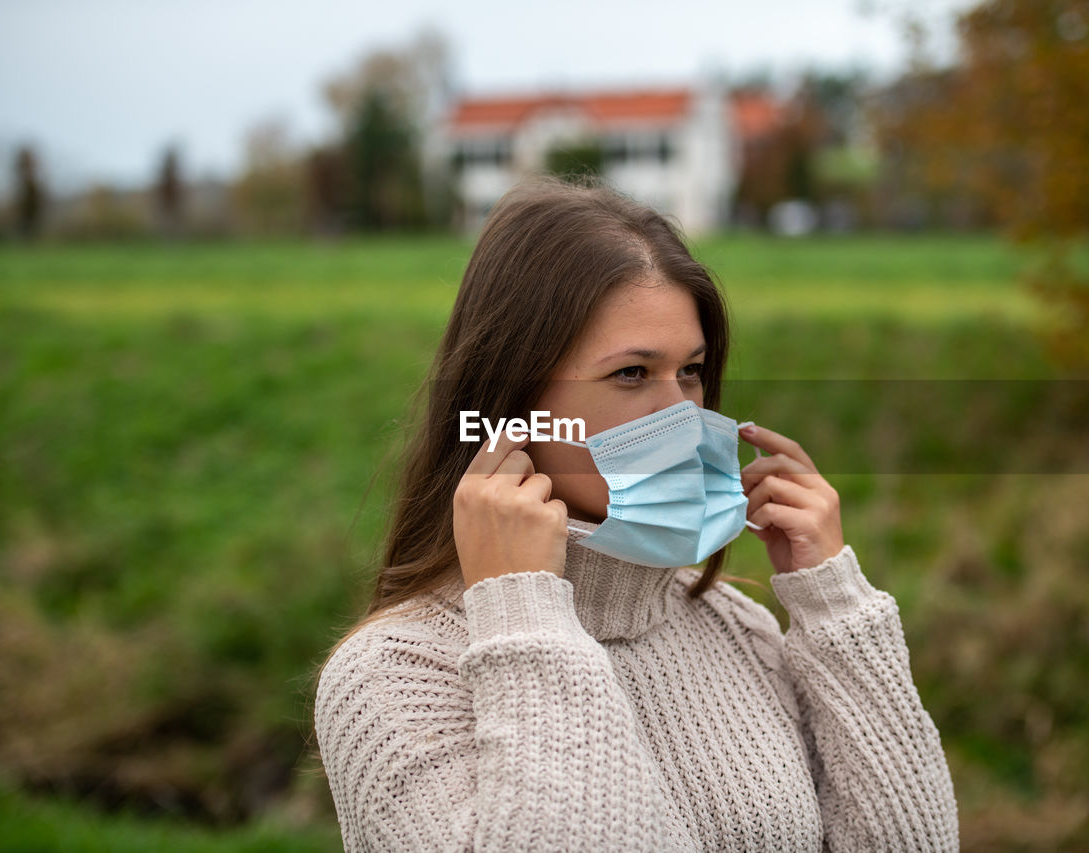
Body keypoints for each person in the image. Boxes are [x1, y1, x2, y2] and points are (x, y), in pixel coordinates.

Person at [314, 177, 959, 851]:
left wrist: (833, 604)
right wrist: (525, 614)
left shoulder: (738, 627)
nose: (681, 414)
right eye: (631, 373)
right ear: (510, 403)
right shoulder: (393, 676)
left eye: (691, 370)